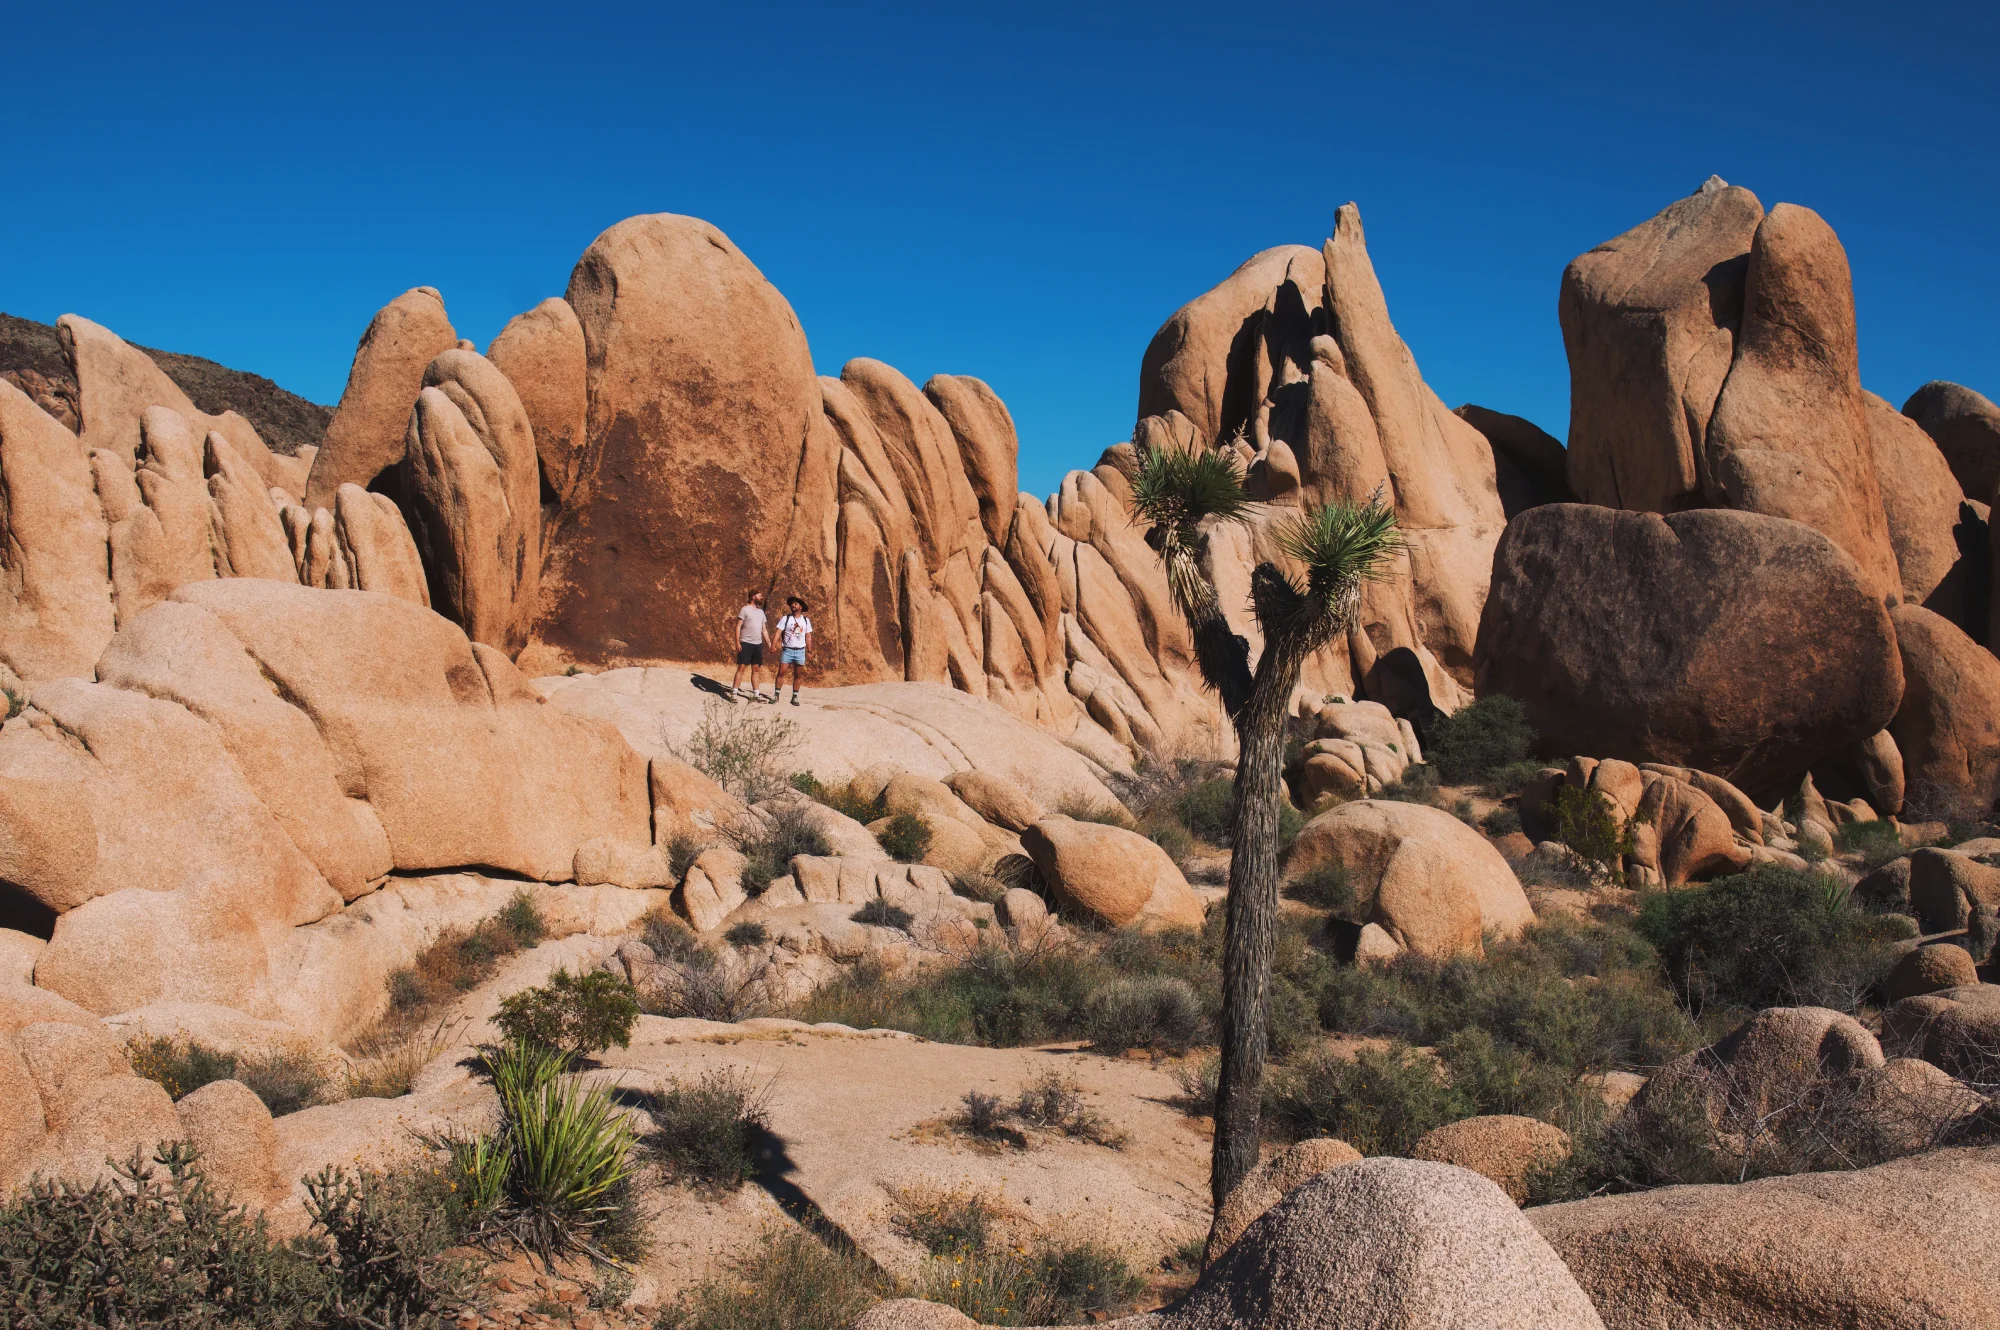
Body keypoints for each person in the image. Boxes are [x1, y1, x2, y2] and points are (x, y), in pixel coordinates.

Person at [730, 590, 774, 701]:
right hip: (745, 643)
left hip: (757, 644)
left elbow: (764, 630)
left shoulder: (761, 612)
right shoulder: (744, 610)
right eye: (760, 595)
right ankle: (734, 694)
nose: (762, 597)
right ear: (753, 597)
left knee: (756, 669)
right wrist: (737, 642)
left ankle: (756, 695)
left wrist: (769, 643)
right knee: (741, 668)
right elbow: (738, 627)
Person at [774, 596, 813, 705]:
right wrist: (773, 645)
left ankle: (794, 697)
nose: (793, 605)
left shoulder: (806, 620)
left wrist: (809, 651)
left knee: (798, 674)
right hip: (787, 650)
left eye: (795, 604)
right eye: (792, 604)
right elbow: (778, 632)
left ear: (800, 607)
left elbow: (808, 636)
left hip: (800, 651)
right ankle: (776, 695)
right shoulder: (785, 618)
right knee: (781, 672)